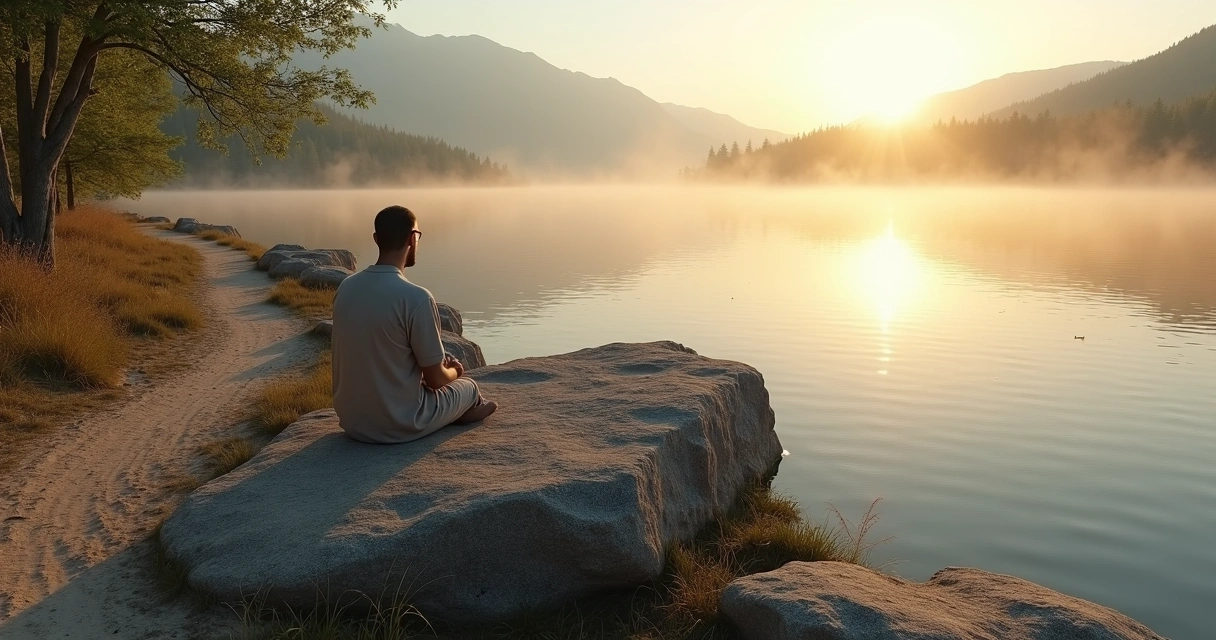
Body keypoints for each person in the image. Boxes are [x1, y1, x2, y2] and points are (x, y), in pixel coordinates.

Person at [331, 205, 497, 444]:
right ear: (412, 238)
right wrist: (455, 371)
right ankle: (462, 411)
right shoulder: (416, 298)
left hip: (352, 422)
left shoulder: (346, 287)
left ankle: (451, 412)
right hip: (399, 424)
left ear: (377, 239)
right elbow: (436, 381)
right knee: (468, 387)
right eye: (418, 235)